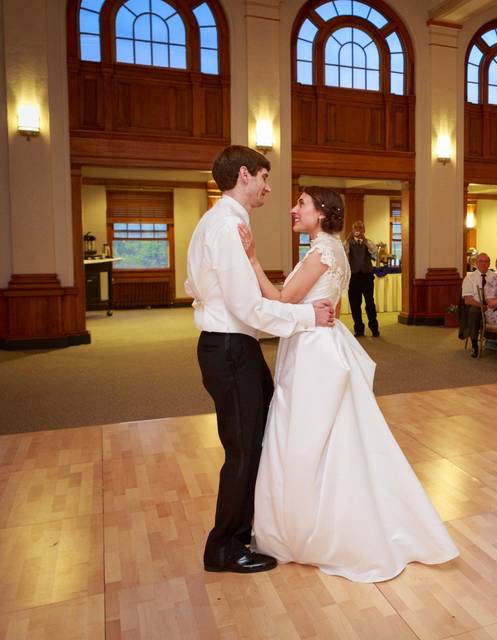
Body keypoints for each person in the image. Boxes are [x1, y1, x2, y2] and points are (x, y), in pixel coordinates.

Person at [238, 186, 458, 581]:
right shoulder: (326, 248)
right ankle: (307, 518)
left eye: (301, 204)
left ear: (321, 212)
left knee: (308, 434)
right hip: (312, 343)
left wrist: (253, 261)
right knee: (324, 434)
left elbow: (282, 298)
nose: (293, 209)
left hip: (313, 352)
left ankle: (314, 528)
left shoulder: (324, 250)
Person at [185, 146, 336, 574]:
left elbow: (195, 281)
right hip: (230, 347)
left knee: (255, 441)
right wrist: (308, 316)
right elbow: (249, 307)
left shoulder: (216, 222)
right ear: (246, 175)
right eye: (265, 178)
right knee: (243, 449)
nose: (270, 188)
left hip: (233, 347)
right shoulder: (227, 225)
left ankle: (244, 531)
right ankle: (223, 547)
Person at [344, 220, 380, 337]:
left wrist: (366, 242)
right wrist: (347, 243)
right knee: (355, 304)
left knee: (370, 303)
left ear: (364, 231)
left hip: (367, 277)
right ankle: (359, 328)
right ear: (353, 230)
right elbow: (343, 256)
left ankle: (374, 327)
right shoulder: (347, 243)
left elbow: (375, 255)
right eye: (356, 229)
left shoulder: (368, 243)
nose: (358, 231)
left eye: (360, 229)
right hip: (353, 278)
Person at [460, 252, 491, 357]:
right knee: (474, 312)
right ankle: (474, 345)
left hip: (492, 305)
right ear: (476, 263)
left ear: (489, 263)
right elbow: (468, 300)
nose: (483, 264)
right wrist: (483, 307)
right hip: (476, 305)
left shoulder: (494, 277)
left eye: (486, 261)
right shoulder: (469, 278)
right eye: (481, 261)